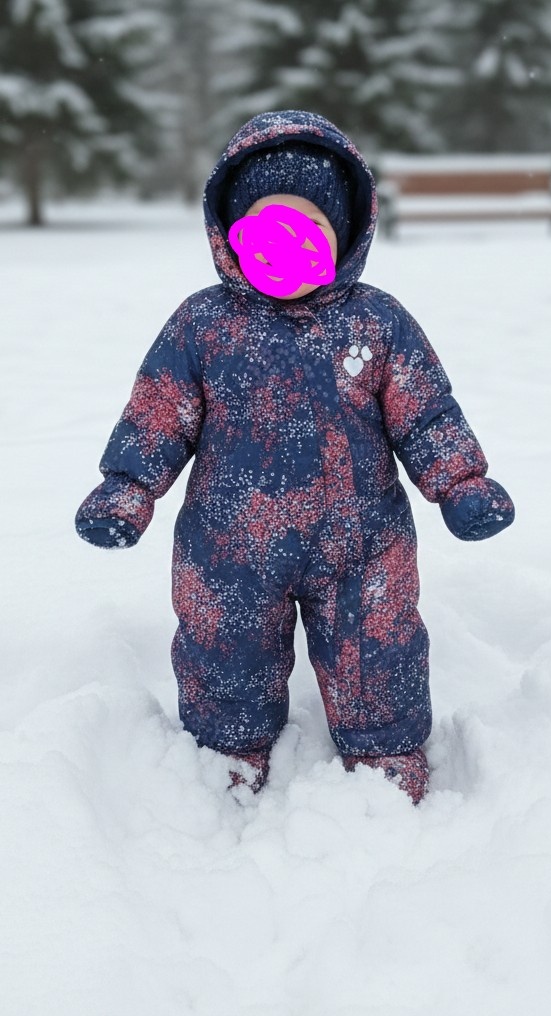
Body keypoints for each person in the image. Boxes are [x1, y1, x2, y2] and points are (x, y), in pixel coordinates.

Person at [75, 109, 515, 804]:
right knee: (225, 641)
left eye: (308, 225)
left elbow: (424, 408)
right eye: (265, 226)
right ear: (232, 234)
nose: (285, 244)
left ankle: (384, 743)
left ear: (342, 234)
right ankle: (228, 744)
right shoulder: (203, 324)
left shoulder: (377, 321)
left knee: (378, 642)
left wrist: (459, 481)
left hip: (361, 539)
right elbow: (160, 410)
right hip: (231, 539)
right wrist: (128, 486)